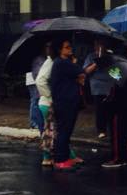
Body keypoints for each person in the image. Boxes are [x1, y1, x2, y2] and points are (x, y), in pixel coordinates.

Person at [49, 39, 85, 170]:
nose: (70, 49)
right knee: (64, 130)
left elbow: (78, 76)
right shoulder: (62, 63)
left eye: (70, 46)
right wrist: (77, 64)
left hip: (69, 101)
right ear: (60, 50)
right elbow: (81, 71)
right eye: (67, 47)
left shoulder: (64, 63)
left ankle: (66, 156)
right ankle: (60, 159)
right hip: (65, 102)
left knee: (67, 130)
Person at [83, 38, 115, 140]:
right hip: (97, 87)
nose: (99, 47)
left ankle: (112, 130)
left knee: (111, 110)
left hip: (109, 86)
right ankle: (101, 130)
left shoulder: (110, 56)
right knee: (100, 110)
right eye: (97, 45)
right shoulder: (91, 56)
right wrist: (96, 63)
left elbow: (116, 72)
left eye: (101, 45)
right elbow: (86, 71)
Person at [34, 42, 57, 167]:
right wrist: (50, 96)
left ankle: (49, 157)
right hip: (48, 103)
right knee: (50, 131)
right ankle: (47, 157)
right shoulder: (51, 63)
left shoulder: (50, 62)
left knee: (51, 131)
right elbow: (40, 81)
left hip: (46, 102)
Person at [26, 46, 48, 131]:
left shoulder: (43, 58)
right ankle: (34, 122)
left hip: (35, 80)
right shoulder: (39, 59)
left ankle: (36, 122)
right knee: (35, 100)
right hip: (34, 81)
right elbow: (37, 73)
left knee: (36, 101)